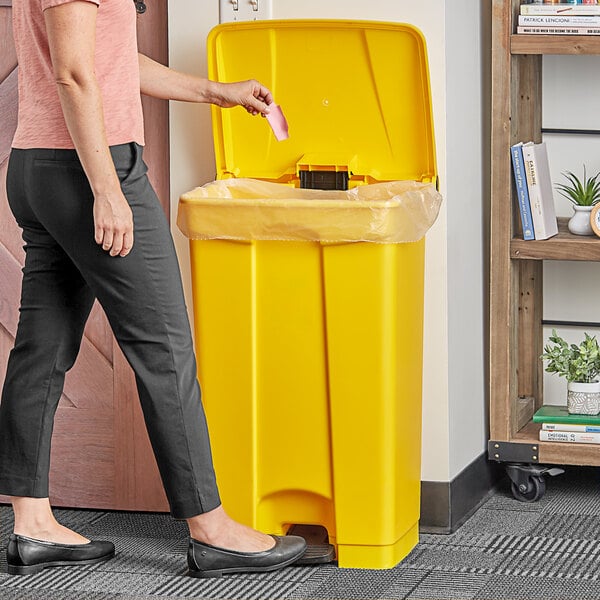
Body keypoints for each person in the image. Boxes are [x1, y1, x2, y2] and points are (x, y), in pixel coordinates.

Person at [0, 0, 307, 578]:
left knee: (41, 347)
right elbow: (72, 71)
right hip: (89, 168)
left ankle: (33, 521)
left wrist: (215, 91)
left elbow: (106, 58)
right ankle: (211, 530)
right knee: (164, 349)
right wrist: (108, 188)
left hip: (40, 165)